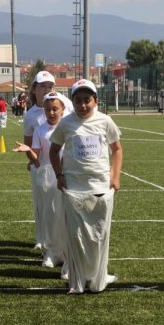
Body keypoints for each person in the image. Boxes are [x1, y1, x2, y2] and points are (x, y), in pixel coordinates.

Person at [49, 79, 123, 294]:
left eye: (87, 100)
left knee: (99, 235)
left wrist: (115, 176)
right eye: (78, 100)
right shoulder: (66, 123)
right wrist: (59, 174)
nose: (83, 105)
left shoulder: (105, 121)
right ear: (72, 102)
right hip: (74, 187)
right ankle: (78, 279)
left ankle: (98, 277)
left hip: (100, 185)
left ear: (95, 101)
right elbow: (54, 151)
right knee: (76, 236)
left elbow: (117, 149)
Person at [13, 92, 73, 269]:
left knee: (66, 217)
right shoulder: (40, 130)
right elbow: (37, 160)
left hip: (68, 177)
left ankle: (68, 254)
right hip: (47, 178)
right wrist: (28, 151)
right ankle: (51, 253)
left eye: (55, 109)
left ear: (63, 109)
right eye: (48, 109)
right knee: (49, 216)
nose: (52, 113)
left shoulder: (68, 127)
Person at [23, 71, 56, 250]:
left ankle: (58, 242)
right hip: (40, 166)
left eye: (50, 86)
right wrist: (35, 162)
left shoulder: (63, 105)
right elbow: (29, 145)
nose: (46, 90)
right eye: (42, 86)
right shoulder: (30, 115)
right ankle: (41, 238)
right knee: (40, 205)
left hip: (61, 167)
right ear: (34, 89)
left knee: (58, 207)